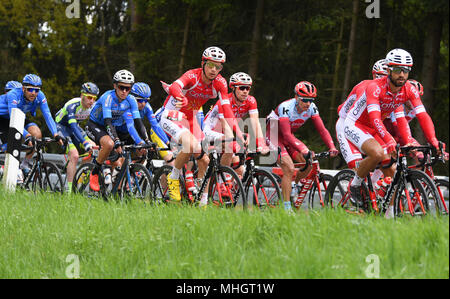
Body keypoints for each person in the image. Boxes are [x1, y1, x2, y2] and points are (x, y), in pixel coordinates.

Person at [343, 48, 447, 217]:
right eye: (398, 70)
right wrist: (389, 140)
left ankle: (389, 215)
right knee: (377, 153)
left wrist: (433, 140)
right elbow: (375, 118)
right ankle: (355, 184)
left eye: (406, 70)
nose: (402, 75)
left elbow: (422, 116)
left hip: (375, 128)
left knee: (393, 170)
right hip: (356, 124)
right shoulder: (375, 87)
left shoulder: (409, 90)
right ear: (389, 70)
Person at [156, 46, 245, 205]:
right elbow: (175, 87)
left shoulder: (220, 83)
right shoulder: (192, 75)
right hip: (172, 116)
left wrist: (238, 132)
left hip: (191, 119)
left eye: (217, 66)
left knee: (204, 160)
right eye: (210, 64)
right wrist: (179, 97)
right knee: (190, 145)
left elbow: (227, 110)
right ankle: (174, 177)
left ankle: (201, 201)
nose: (213, 69)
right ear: (203, 63)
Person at [266, 81, 339, 211]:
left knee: (308, 162)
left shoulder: (312, 108)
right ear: (296, 97)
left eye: (311, 100)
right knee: (288, 167)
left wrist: (332, 146)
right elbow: (287, 135)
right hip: (273, 134)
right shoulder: (286, 107)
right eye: (304, 100)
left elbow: (322, 130)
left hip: (287, 137)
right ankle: (287, 209)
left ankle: (293, 183)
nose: (308, 103)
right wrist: (303, 148)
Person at [86, 70, 150, 191]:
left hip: (111, 128)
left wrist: (145, 140)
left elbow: (138, 122)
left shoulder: (131, 100)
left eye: (128, 88)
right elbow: (107, 122)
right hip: (96, 125)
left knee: (134, 150)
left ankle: (116, 184)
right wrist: (116, 140)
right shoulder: (108, 97)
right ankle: (94, 171)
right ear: (115, 86)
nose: (124, 91)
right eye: (121, 87)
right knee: (109, 144)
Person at [203, 72, 269, 177]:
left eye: (248, 88)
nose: (245, 92)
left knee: (239, 169)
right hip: (210, 130)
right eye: (242, 88)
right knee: (230, 146)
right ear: (233, 88)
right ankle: (222, 182)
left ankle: (229, 186)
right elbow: (225, 125)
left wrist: (260, 142)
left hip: (226, 132)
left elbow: (255, 123)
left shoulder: (251, 101)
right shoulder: (223, 102)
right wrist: (240, 139)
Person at [0, 74, 65, 173]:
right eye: (30, 89)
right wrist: (27, 135)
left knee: (36, 134)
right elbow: (14, 119)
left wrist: (56, 134)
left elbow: (48, 115)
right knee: (9, 145)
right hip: (4, 118)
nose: (33, 93)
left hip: (19, 116)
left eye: (37, 90)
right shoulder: (13, 94)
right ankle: (9, 172)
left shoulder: (40, 96)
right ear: (23, 89)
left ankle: (25, 164)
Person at [55, 82, 99, 193]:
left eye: (94, 98)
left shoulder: (93, 106)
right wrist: (84, 143)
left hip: (75, 127)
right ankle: (69, 191)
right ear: (82, 96)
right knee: (74, 155)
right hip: (61, 127)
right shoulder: (73, 105)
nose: (92, 101)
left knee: (94, 148)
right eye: (89, 97)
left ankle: (79, 177)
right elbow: (73, 127)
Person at [130, 82, 174, 164]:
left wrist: (167, 143)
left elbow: (155, 125)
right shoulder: (127, 105)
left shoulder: (147, 107)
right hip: (125, 130)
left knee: (144, 152)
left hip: (136, 130)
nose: (143, 104)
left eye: (146, 100)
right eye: (139, 100)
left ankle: (137, 172)